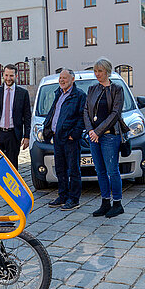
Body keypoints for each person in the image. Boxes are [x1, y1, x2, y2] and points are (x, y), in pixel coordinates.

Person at [84, 58, 127, 218]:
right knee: (100, 171)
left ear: (107, 72)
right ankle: (105, 202)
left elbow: (115, 114)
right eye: (95, 71)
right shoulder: (92, 89)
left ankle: (117, 203)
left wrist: (98, 131)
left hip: (110, 137)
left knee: (112, 170)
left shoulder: (117, 89)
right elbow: (86, 111)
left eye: (100, 71)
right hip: (94, 137)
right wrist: (90, 131)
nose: (97, 74)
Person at [0, 64, 32, 206]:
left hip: (13, 135)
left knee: (13, 167)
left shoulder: (22, 93)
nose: (8, 78)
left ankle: (13, 197)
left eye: (11, 75)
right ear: (3, 76)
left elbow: (27, 116)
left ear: (16, 76)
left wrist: (27, 136)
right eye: (6, 75)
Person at [42, 69, 86, 211]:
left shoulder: (79, 95)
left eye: (65, 78)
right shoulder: (58, 93)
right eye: (60, 78)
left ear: (72, 79)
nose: (62, 80)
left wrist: (74, 134)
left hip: (70, 139)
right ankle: (63, 196)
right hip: (57, 137)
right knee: (60, 169)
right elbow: (54, 113)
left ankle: (74, 199)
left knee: (73, 170)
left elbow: (82, 118)